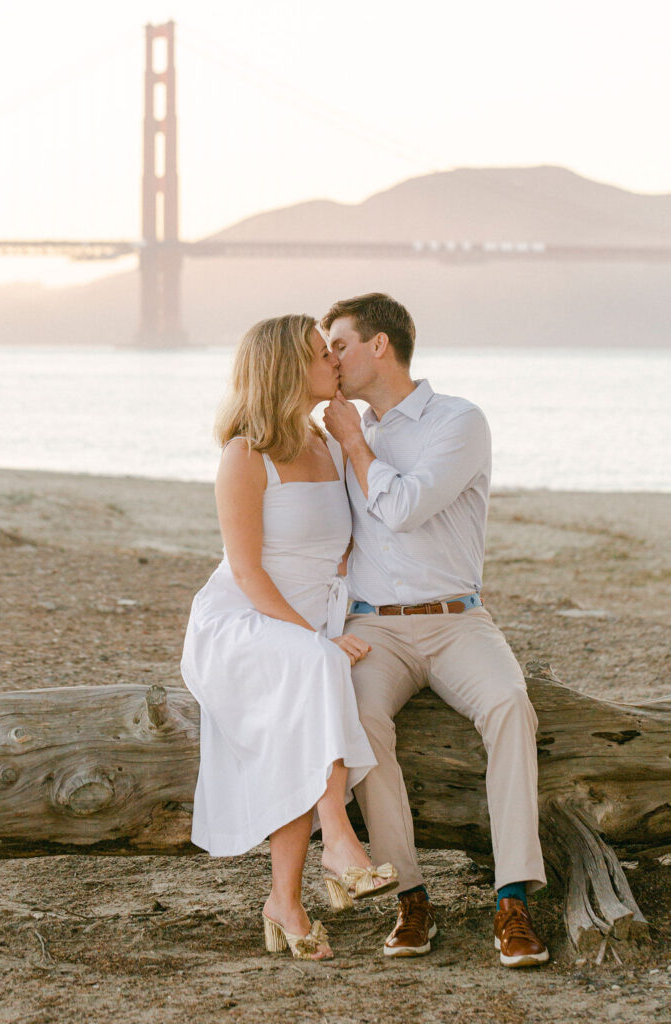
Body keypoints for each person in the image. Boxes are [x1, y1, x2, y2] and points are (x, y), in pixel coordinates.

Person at [321, 292, 549, 967]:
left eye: (338, 344)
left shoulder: (458, 421)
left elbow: (405, 507)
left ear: (379, 346)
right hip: (374, 629)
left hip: (456, 620)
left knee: (510, 705)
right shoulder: (340, 436)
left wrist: (356, 447)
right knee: (357, 716)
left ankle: (512, 900)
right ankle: (410, 897)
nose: (329, 359)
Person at [180, 314, 398, 962]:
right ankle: (338, 840)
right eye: (318, 353)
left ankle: (285, 902)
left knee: (299, 716)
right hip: (245, 619)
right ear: (284, 368)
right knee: (315, 668)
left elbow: (360, 532)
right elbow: (247, 571)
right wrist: (314, 639)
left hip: (309, 618)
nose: (333, 360)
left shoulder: (327, 442)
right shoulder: (245, 453)